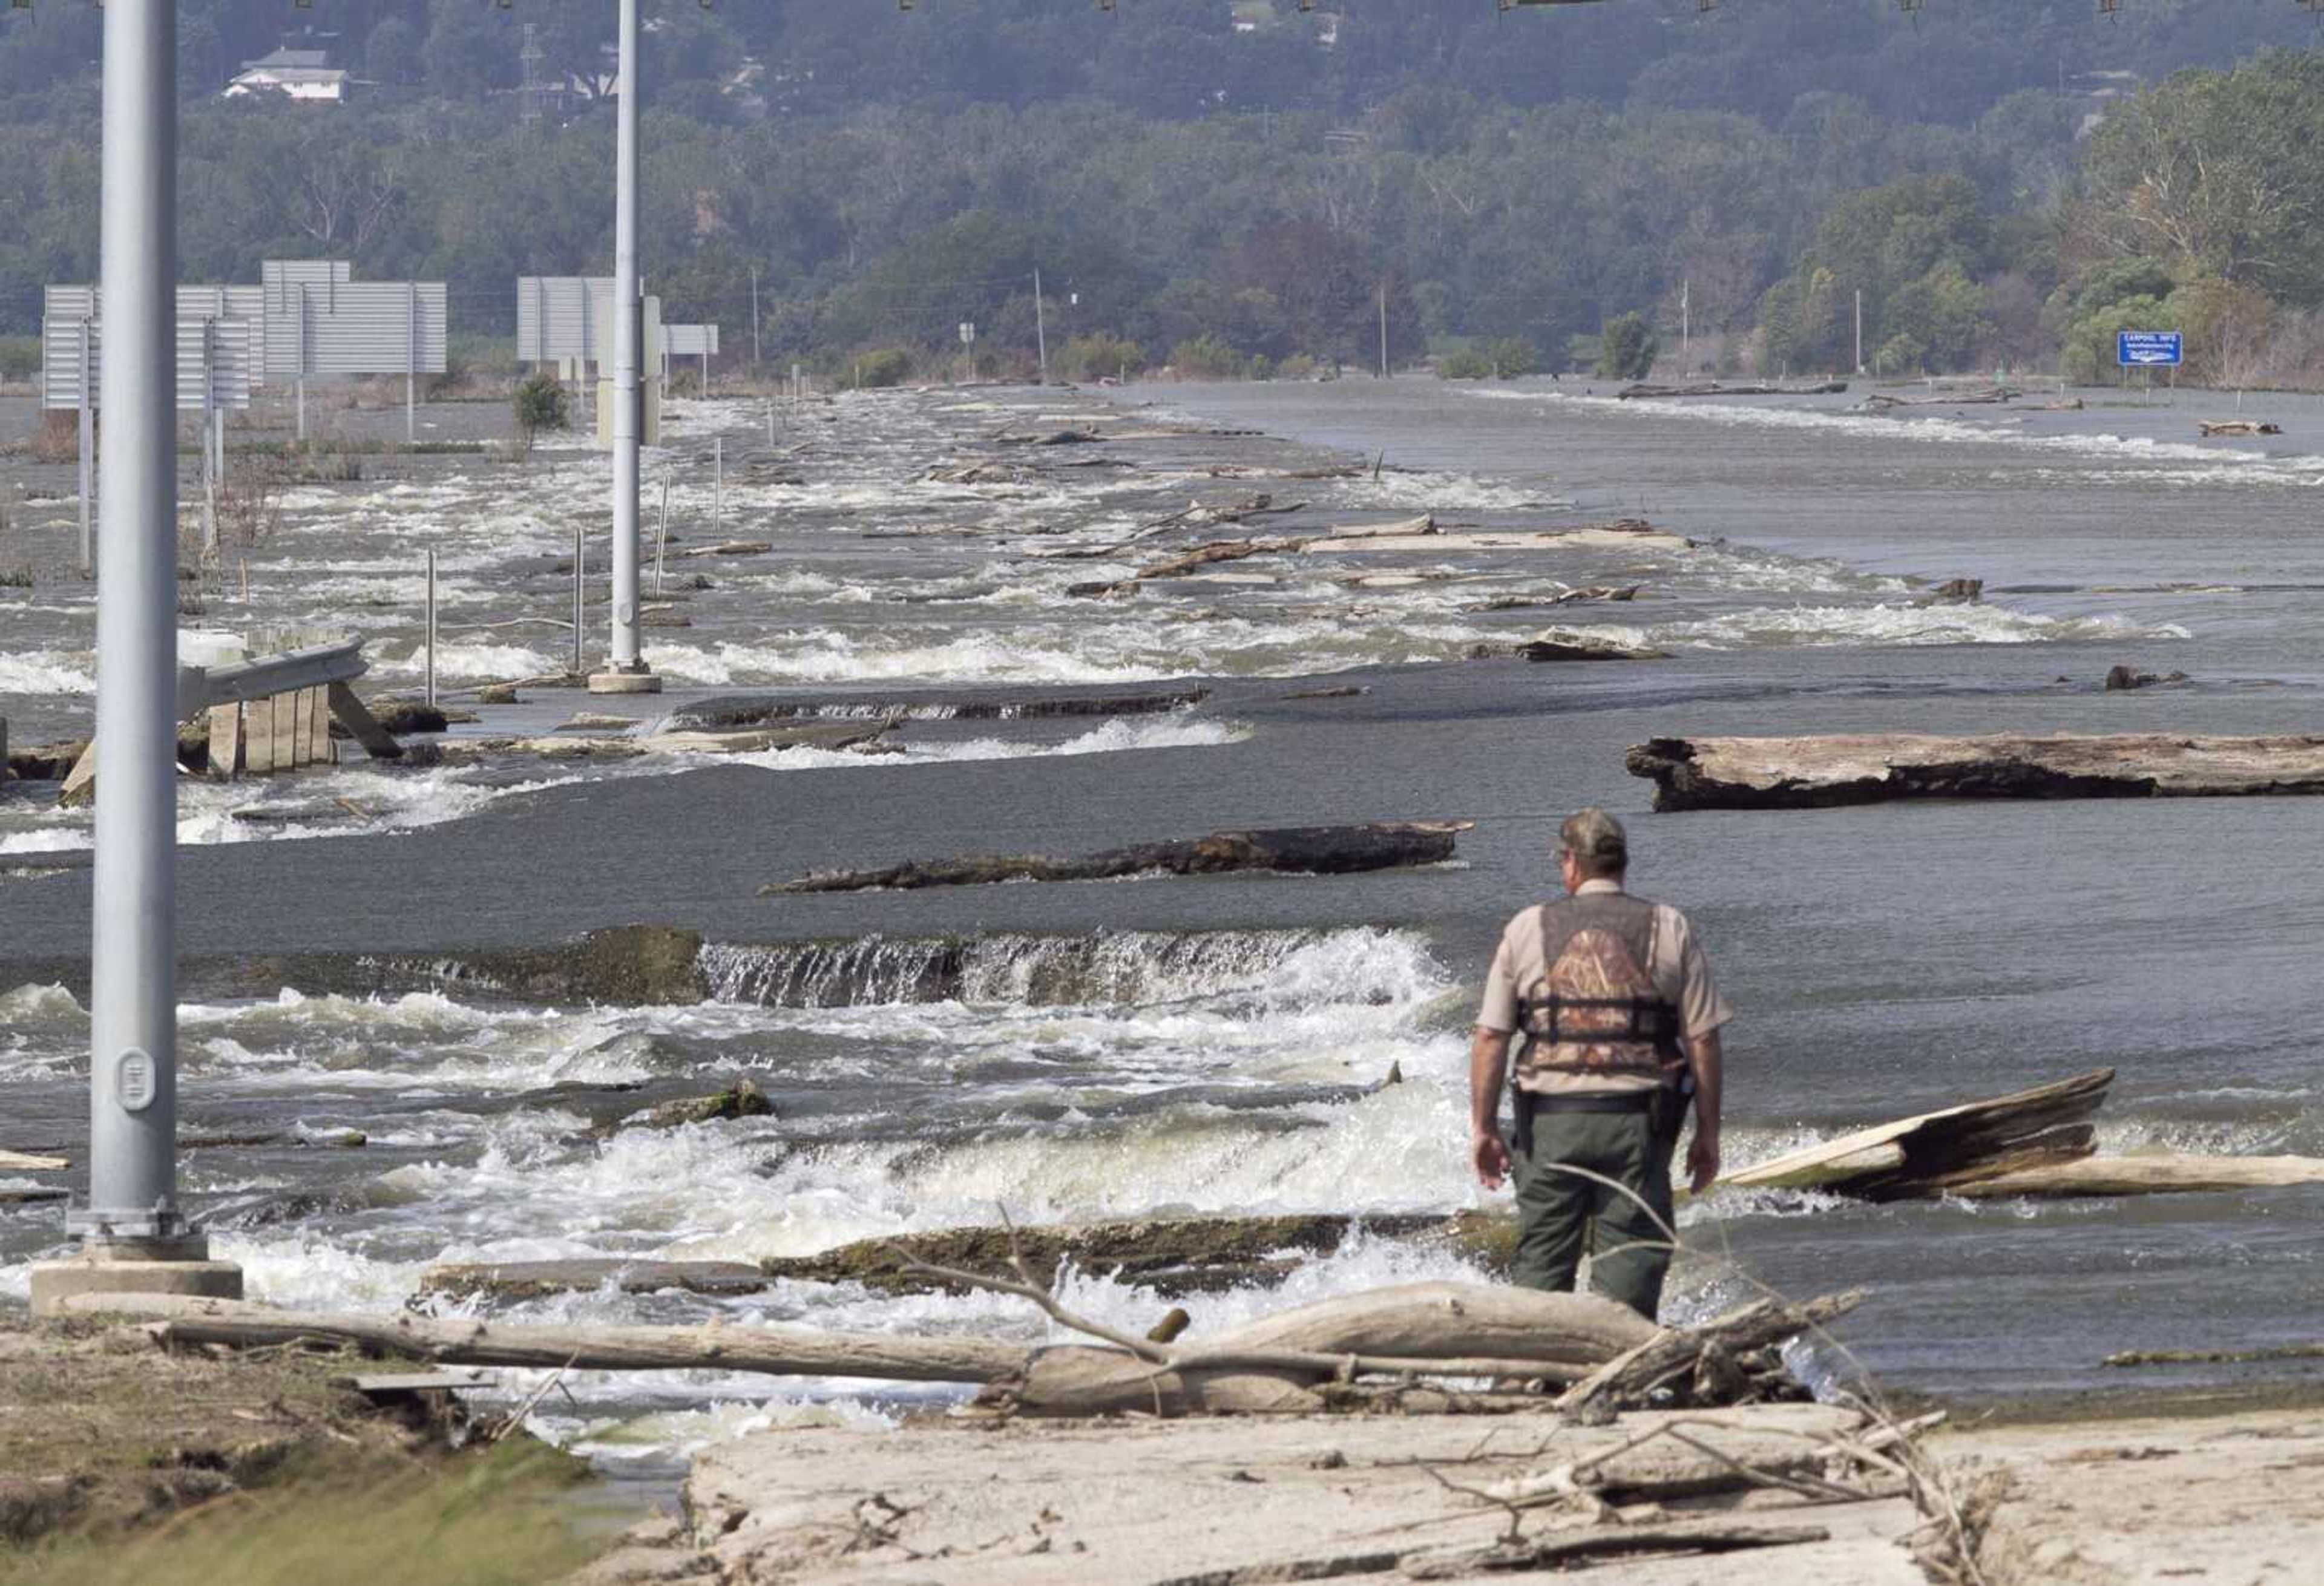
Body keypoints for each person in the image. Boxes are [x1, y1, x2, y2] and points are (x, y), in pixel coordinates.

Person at [1468, 809, 1729, 1320]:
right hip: (1636, 1126)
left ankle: (1532, 1380)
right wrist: (1708, 1134)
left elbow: (1491, 1037)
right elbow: (1703, 1039)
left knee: (1541, 1270)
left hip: (1548, 1127)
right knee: (1630, 1271)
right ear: (1622, 864)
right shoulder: (1668, 926)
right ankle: (1614, 1375)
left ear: (1570, 865)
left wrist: (1482, 1129)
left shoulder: (1527, 928)